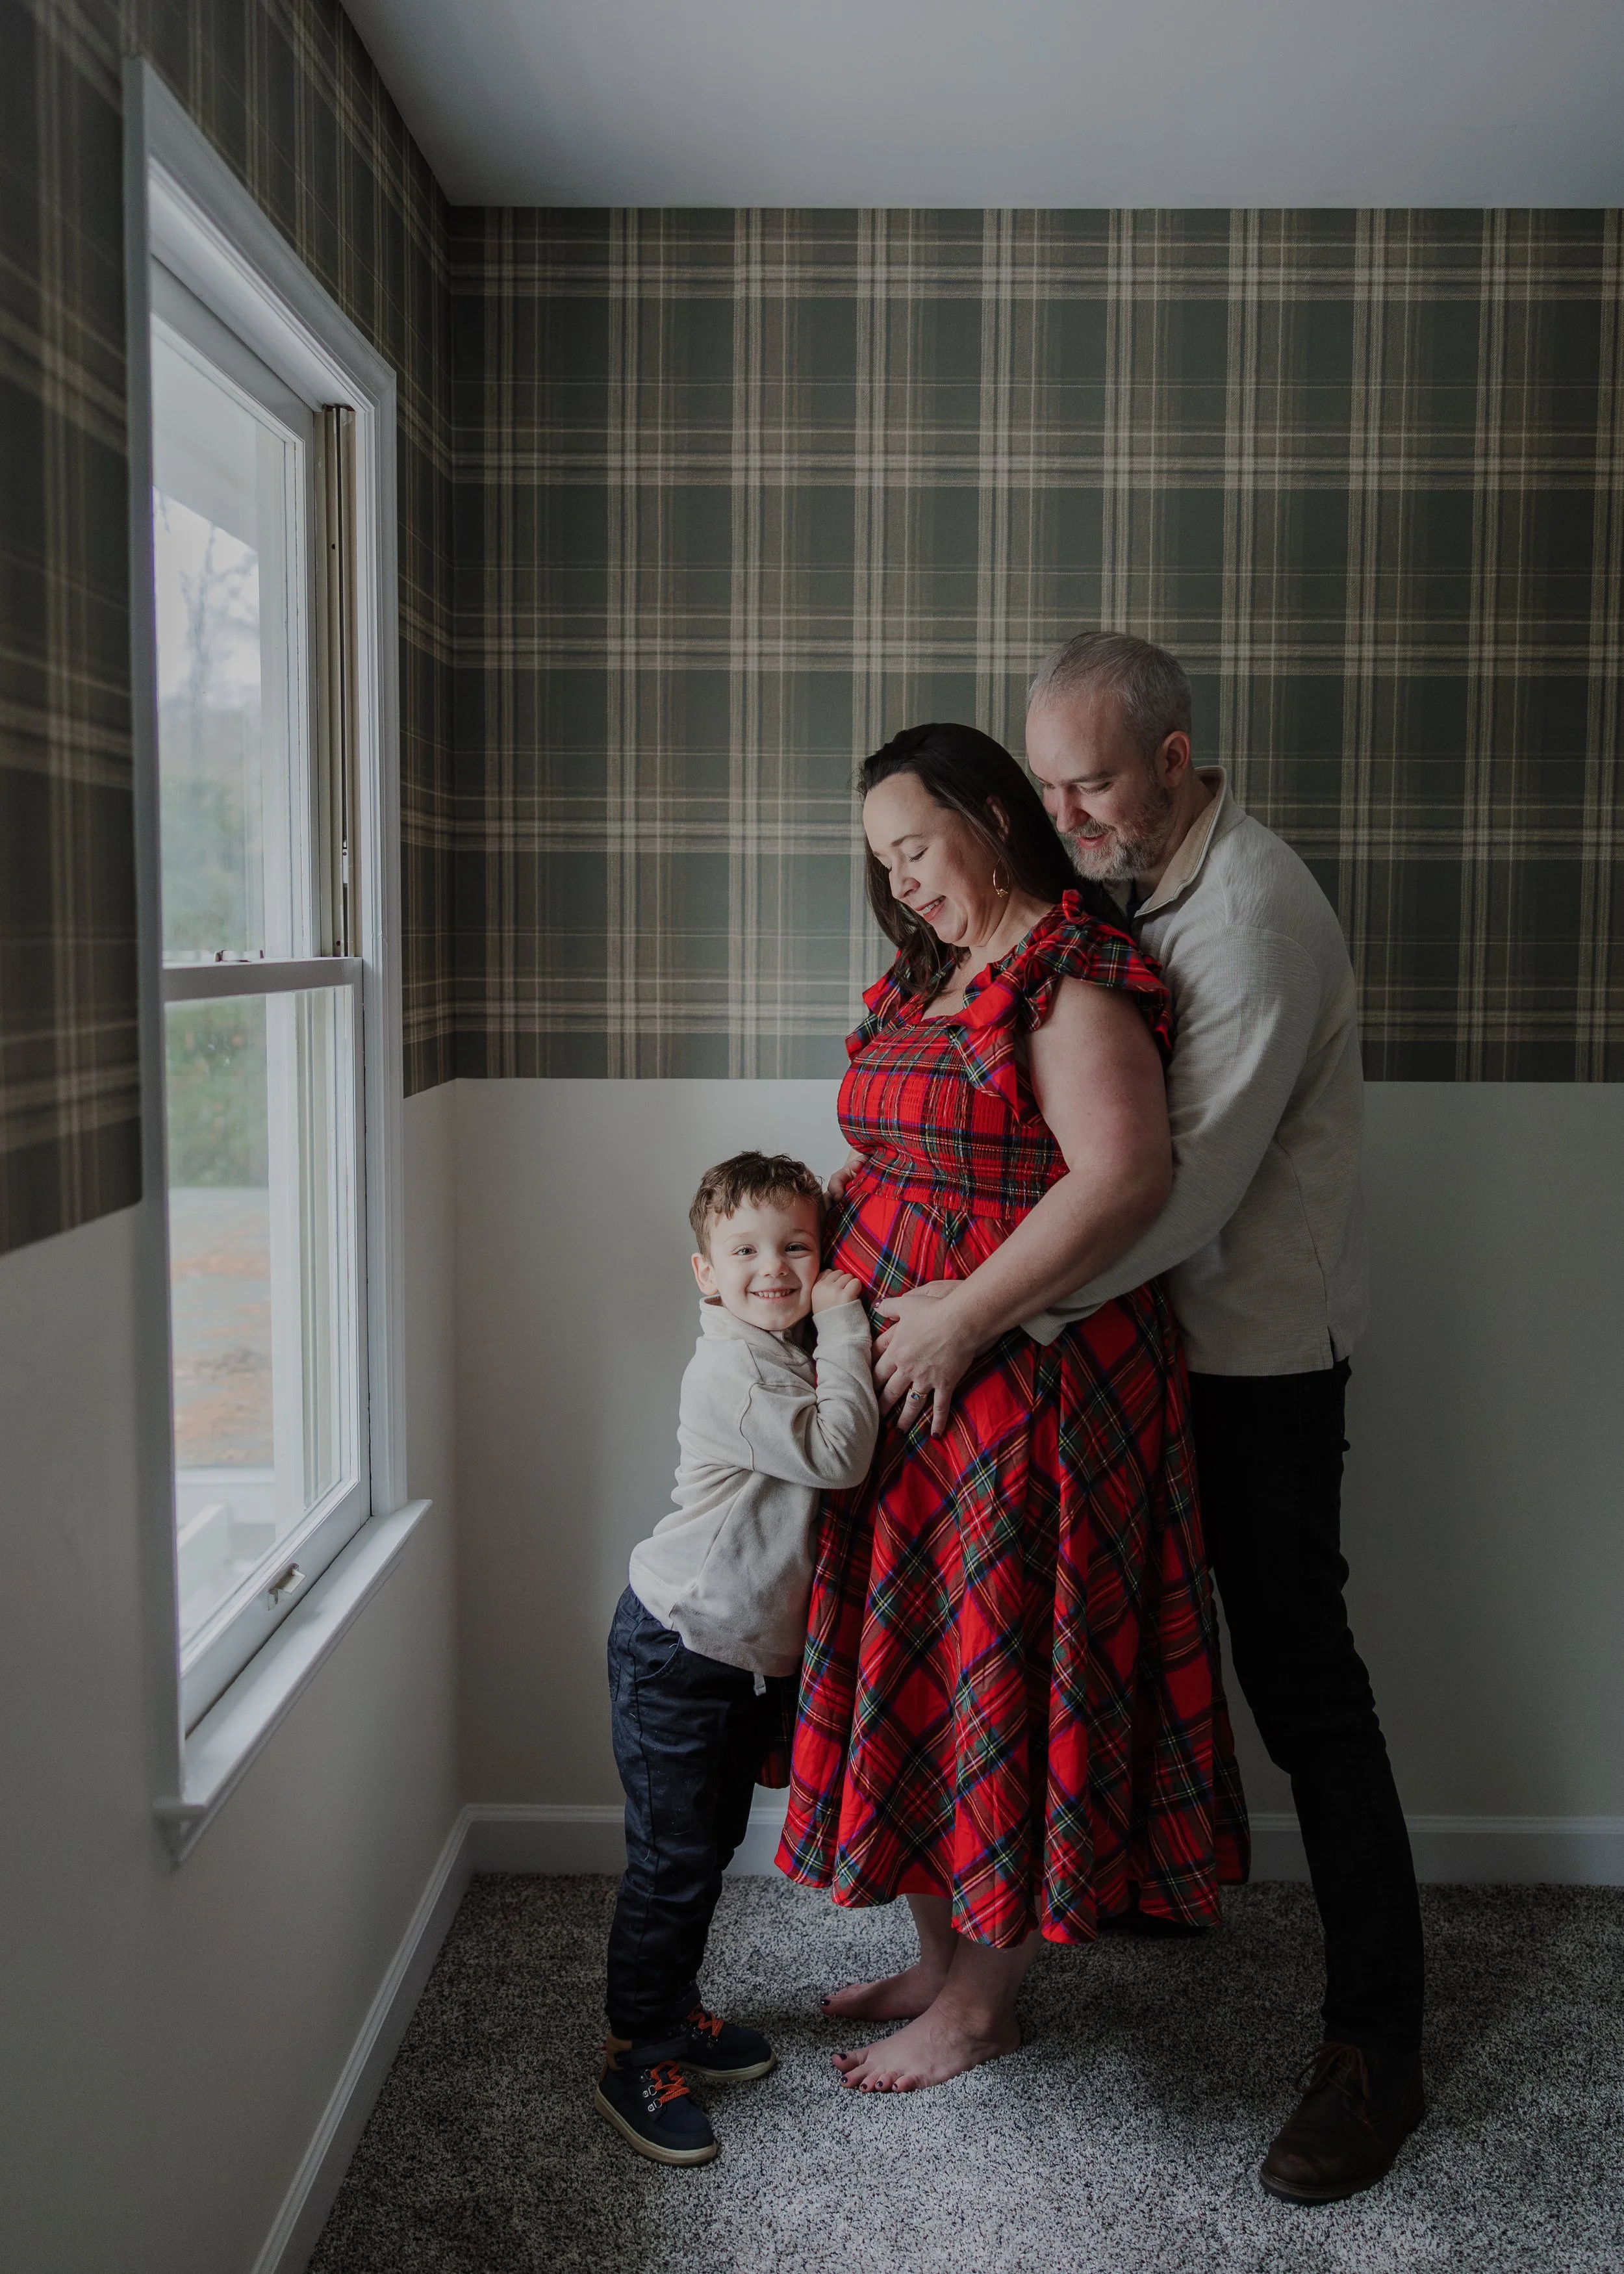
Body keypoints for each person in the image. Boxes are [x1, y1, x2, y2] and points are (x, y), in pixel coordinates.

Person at [776, 722, 1248, 2095]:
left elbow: (1121, 1180)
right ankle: (937, 1962)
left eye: (915, 847)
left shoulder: (1069, 973)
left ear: (992, 815)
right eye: (882, 861)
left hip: (1026, 1388)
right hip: (903, 1387)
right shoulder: (932, 971)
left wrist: (968, 1310)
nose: (903, 880)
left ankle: (982, 2004)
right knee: (918, 1661)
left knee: (1001, 1660)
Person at [1017, 631, 1425, 2203]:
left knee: (1302, 1685)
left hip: (1255, 1360)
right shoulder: (1128, 889)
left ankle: (1375, 2047)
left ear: (1176, 760)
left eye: (1094, 781)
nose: (1069, 815)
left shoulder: (1247, 914)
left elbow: (1178, 1193)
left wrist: (990, 1310)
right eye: (1048, 787)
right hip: (1146, 1347)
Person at [598, 1151, 878, 2165]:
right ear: (705, 1272)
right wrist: (848, 1322)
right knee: (672, 1868)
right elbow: (841, 1452)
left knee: (706, 1853)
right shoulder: (732, 1367)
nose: (774, 1267)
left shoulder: (783, 1346)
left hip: (740, 1658)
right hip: (677, 1649)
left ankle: (676, 2007)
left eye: (797, 1246)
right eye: (746, 1250)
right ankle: (637, 2051)